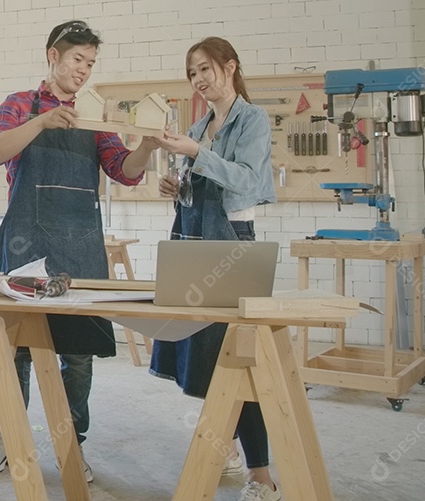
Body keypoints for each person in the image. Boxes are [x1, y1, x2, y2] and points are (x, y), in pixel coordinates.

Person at [0, 20, 157, 482]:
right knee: (16, 349)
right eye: (77, 59)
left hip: (79, 248)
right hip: (25, 243)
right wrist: (41, 121)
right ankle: (7, 437)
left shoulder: (94, 114)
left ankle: (71, 443)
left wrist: (149, 146)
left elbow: (126, 171)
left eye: (91, 63)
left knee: (77, 355)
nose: (83, 70)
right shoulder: (19, 104)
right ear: (52, 56)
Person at [149, 36, 280, 501]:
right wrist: (177, 184)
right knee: (203, 355)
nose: (199, 80)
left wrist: (196, 154)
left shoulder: (253, 119)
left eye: (205, 69)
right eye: (191, 73)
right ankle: (226, 446)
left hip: (232, 247)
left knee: (241, 360)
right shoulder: (201, 123)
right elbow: (199, 187)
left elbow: (246, 179)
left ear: (230, 67)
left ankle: (261, 476)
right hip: (193, 243)